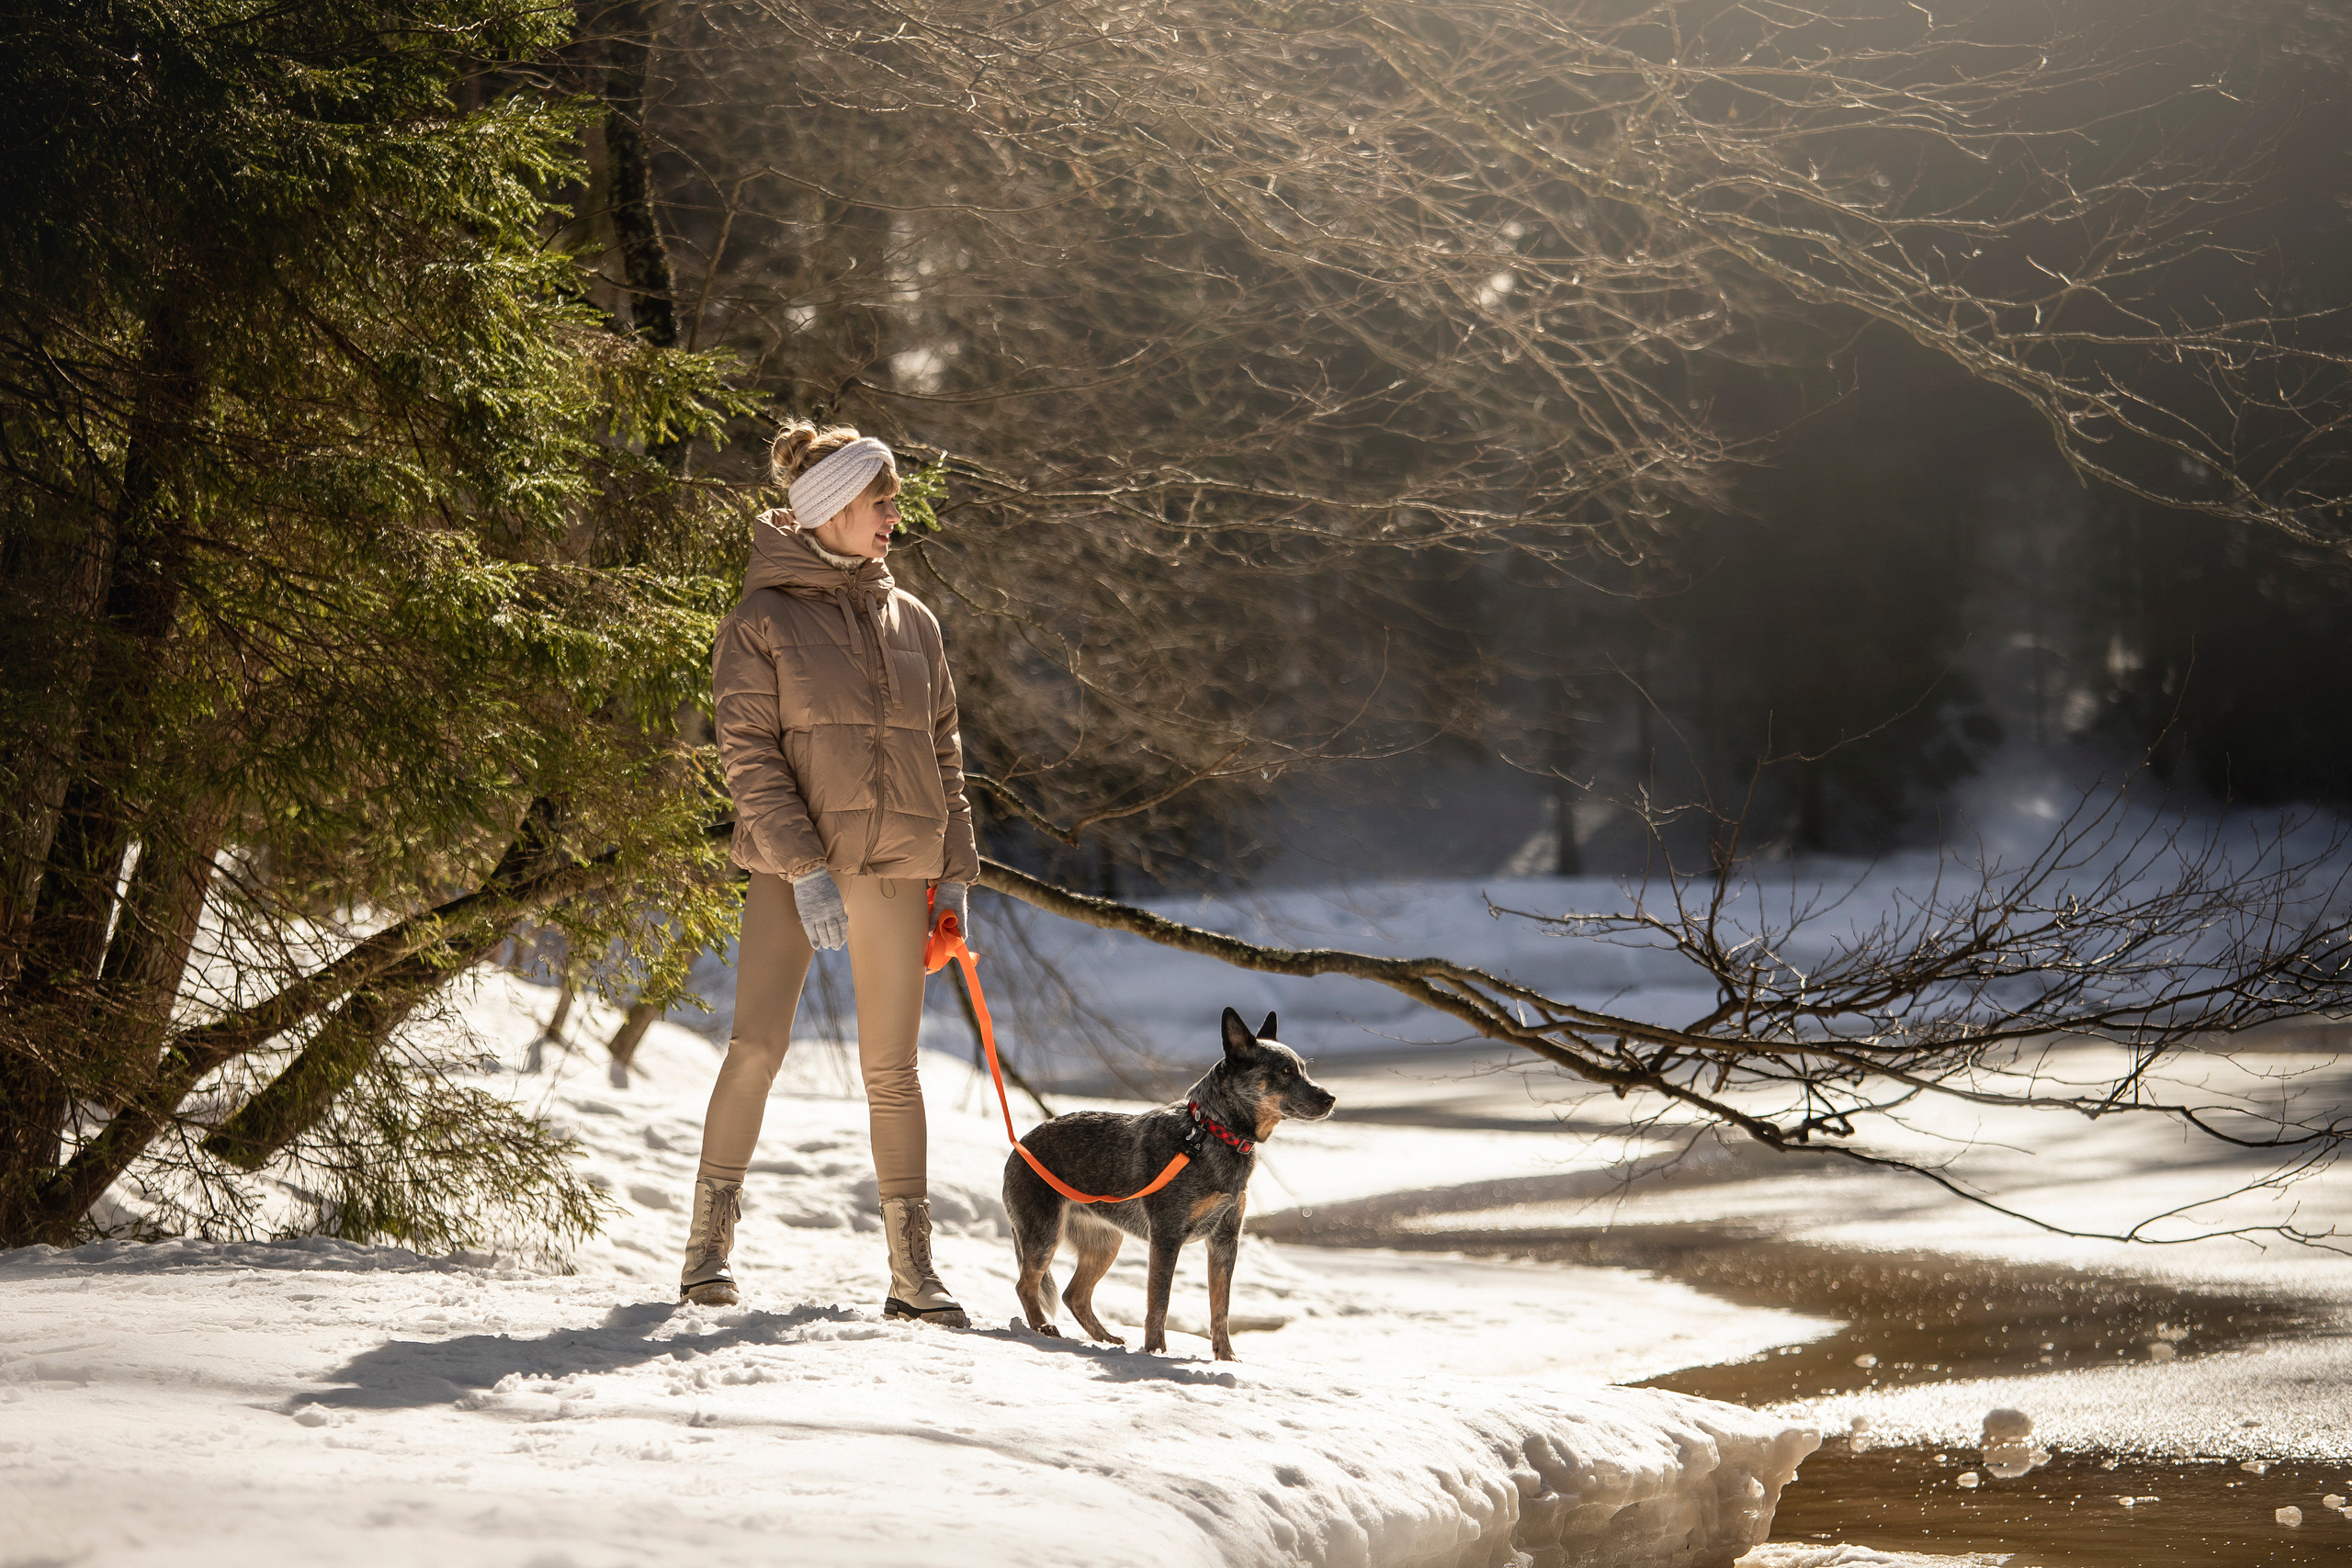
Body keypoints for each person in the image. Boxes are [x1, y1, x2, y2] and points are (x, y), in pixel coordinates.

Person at [681, 421, 979, 1325]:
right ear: (833, 507)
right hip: (792, 867)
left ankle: (912, 1274)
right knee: (756, 1047)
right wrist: (804, 867)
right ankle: (705, 1255)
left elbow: (945, 752)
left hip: (895, 866)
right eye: (881, 502)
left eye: (892, 502)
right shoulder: (760, 622)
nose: (894, 517)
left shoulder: (912, 621)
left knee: (894, 1069)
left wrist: (954, 874)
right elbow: (749, 757)